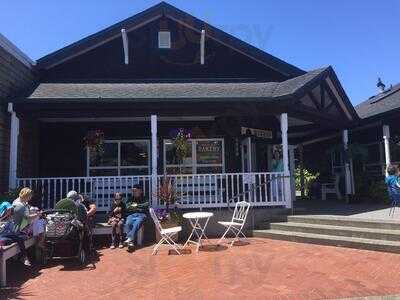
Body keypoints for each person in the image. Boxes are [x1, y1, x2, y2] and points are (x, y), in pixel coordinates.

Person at [9, 188, 42, 266]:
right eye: (29, 196)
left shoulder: (20, 201)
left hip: (21, 225)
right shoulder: (19, 205)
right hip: (20, 228)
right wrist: (37, 214)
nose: (30, 198)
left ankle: (39, 245)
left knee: (40, 223)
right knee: (40, 223)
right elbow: (27, 218)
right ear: (25, 195)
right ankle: (39, 246)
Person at [124, 185, 148, 251]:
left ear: (140, 191)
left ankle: (129, 238)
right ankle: (131, 242)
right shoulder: (130, 199)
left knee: (137, 222)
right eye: (133, 191)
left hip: (141, 214)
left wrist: (136, 205)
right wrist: (139, 207)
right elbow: (127, 207)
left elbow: (145, 205)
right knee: (128, 223)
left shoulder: (144, 198)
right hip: (131, 214)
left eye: (135, 190)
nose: (134, 192)